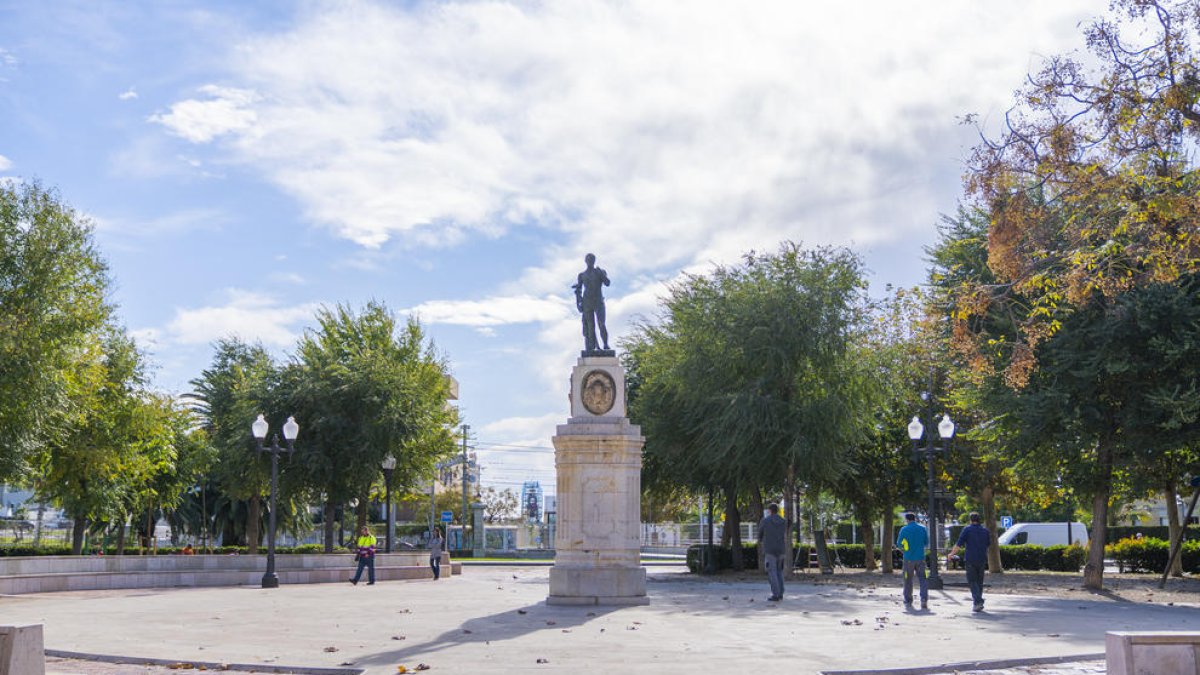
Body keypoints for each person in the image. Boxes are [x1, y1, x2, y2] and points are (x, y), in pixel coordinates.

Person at [948, 512, 991, 612]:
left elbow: (959, 544)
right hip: (982, 559)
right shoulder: (985, 531)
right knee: (979, 582)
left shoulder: (967, 529)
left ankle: (978, 601)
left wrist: (951, 554)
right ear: (979, 519)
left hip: (971, 559)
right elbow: (988, 545)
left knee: (972, 581)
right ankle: (977, 602)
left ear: (970, 520)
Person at [573, 253, 611, 353]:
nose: (590, 261)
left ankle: (605, 344)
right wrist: (578, 302)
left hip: (598, 301)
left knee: (601, 323)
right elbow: (579, 289)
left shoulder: (599, 272)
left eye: (592, 259)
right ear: (586, 261)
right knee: (590, 326)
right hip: (587, 302)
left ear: (594, 261)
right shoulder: (581, 275)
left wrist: (602, 274)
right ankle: (591, 346)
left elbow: (607, 283)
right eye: (588, 259)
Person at [896, 512, 930, 610]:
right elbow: (926, 542)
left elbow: (899, 544)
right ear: (915, 518)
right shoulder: (922, 528)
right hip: (920, 558)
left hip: (908, 558)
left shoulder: (904, 529)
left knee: (907, 579)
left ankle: (908, 600)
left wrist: (905, 551)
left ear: (906, 519)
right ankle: (924, 599)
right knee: (923, 579)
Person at [757, 503, 789, 602]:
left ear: (770, 510)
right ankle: (781, 593)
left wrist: (762, 540)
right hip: (781, 549)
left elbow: (760, 534)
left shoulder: (765, 521)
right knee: (780, 571)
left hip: (769, 550)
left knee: (772, 572)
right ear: (778, 511)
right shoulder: (783, 521)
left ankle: (775, 594)